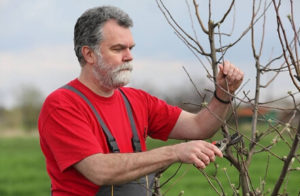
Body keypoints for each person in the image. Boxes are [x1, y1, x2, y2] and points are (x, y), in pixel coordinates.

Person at [38, 5, 244, 196]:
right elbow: (98, 169)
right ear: (89, 54)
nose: (129, 57)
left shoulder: (137, 100)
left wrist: (224, 94)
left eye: (131, 48)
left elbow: (199, 127)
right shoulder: (62, 105)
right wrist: (174, 152)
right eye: (118, 49)